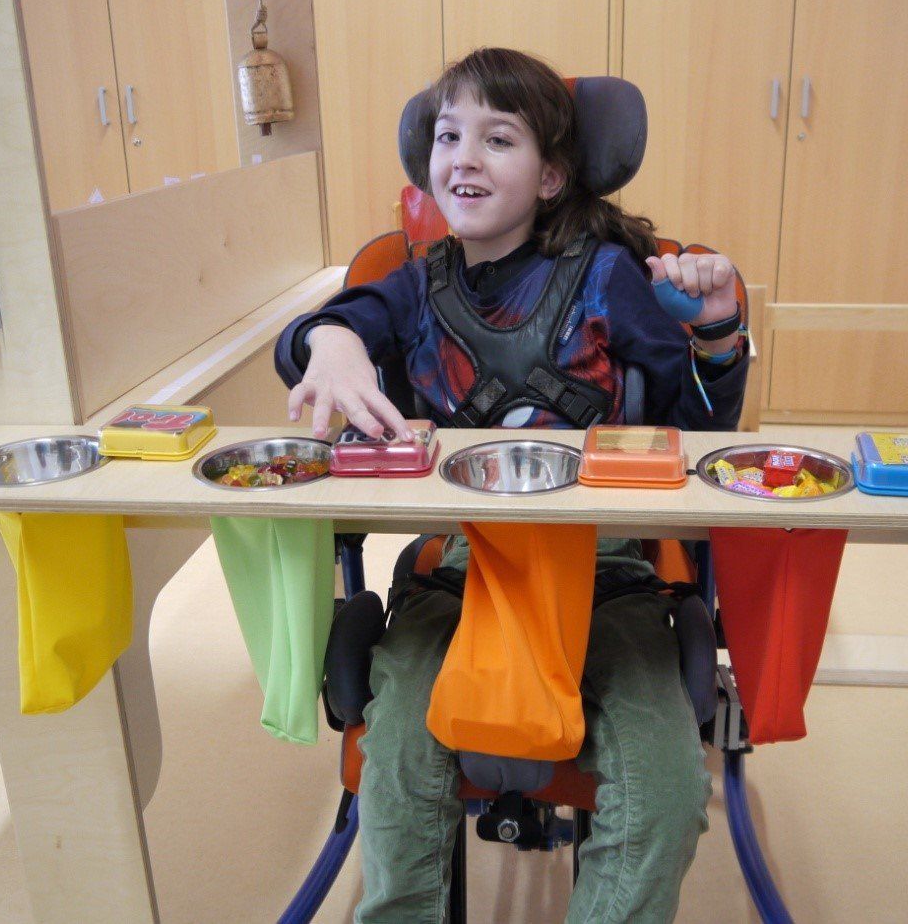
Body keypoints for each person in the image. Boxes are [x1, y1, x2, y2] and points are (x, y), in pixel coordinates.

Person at [275, 47, 746, 923]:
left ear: (552, 175)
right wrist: (330, 341)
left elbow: (699, 440)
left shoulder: (607, 278)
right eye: (449, 136)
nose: (464, 157)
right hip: (461, 571)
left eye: (498, 139)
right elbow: (330, 329)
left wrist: (717, 337)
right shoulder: (415, 288)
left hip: (606, 574)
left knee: (666, 789)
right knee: (398, 767)